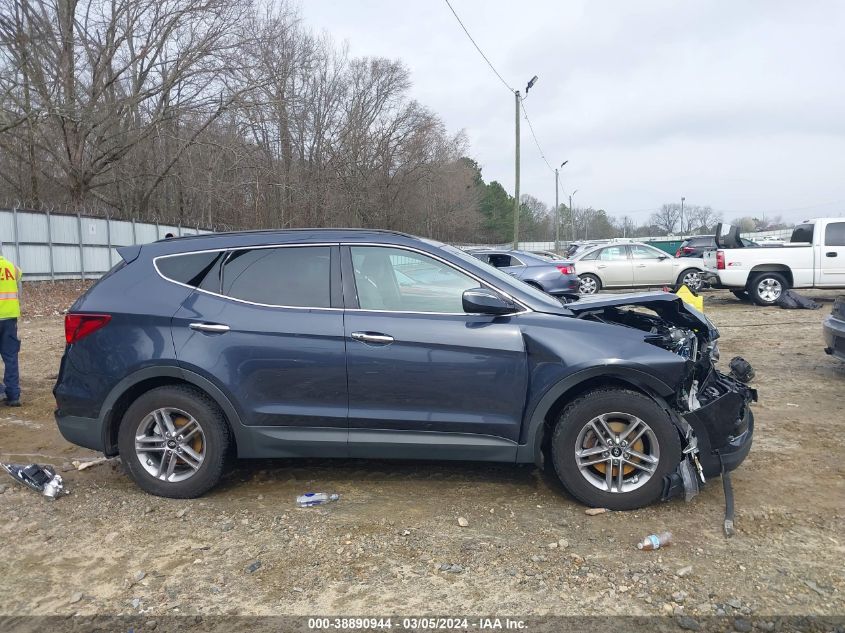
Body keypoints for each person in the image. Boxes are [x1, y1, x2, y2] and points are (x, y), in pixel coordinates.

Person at [0, 249, 22, 406]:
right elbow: (20, 274)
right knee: (10, 357)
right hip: (9, 319)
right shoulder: (11, 267)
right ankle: (13, 395)